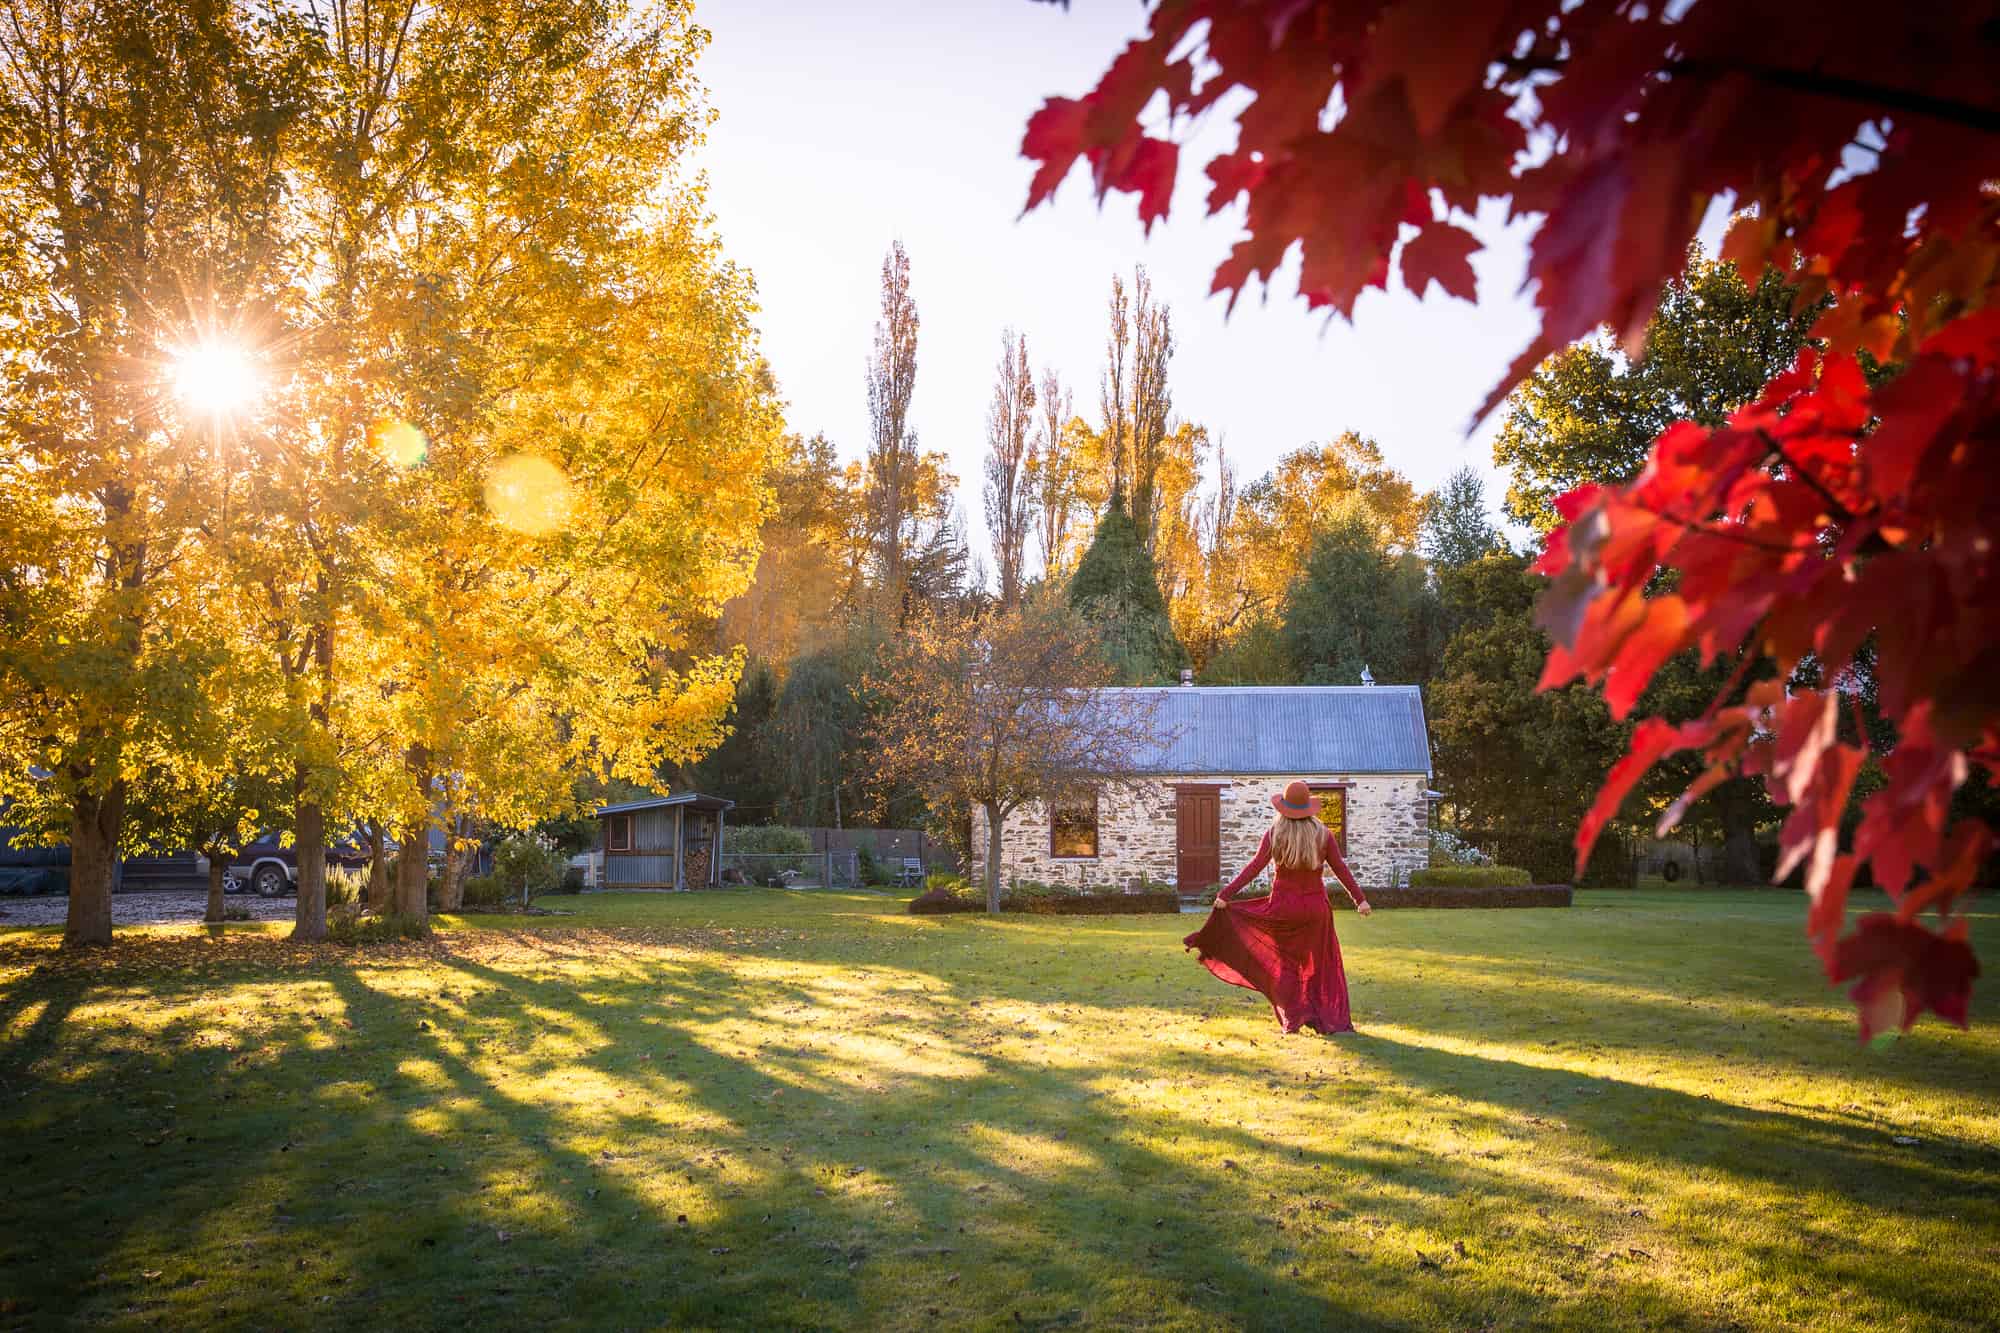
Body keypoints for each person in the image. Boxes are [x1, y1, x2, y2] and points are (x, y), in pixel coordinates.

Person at [1183, 779, 1372, 1034]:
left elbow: (1254, 867)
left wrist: (1226, 894)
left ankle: (1292, 1021)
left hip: (1284, 909)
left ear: (1283, 807)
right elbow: (1341, 869)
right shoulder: (1323, 834)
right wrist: (1359, 899)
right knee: (1321, 965)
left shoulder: (1275, 834)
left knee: (1287, 966)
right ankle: (1324, 1020)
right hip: (1316, 910)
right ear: (1308, 807)